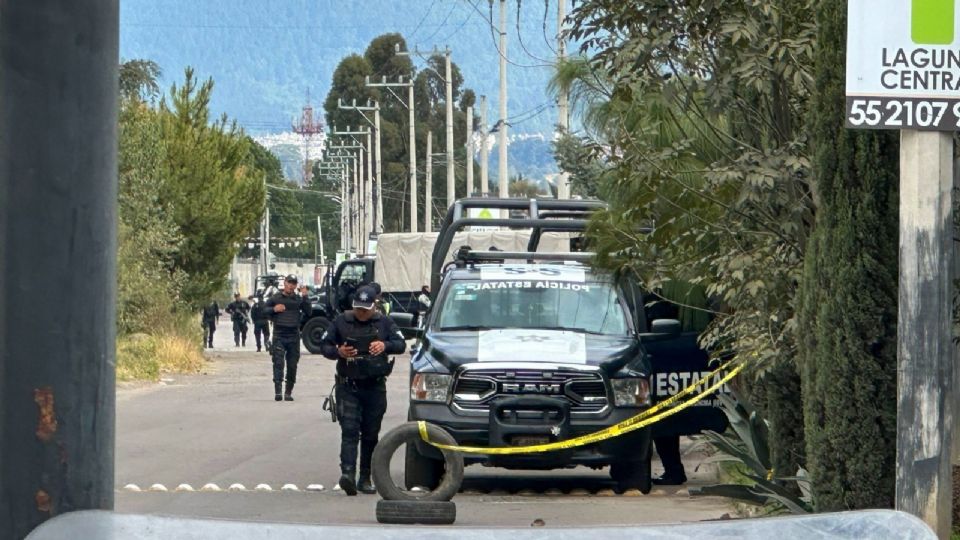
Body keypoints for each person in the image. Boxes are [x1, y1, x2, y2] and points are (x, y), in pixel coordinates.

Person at [320, 285, 406, 496]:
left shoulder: (384, 322)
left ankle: (365, 477)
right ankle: (347, 474)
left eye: (365, 309)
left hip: (375, 386)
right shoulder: (341, 321)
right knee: (349, 430)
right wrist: (338, 351)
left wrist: (384, 346)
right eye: (358, 308)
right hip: (348, 385)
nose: (361, 313)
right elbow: (324, 345)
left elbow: (401, 344)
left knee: (370, 434)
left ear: (374, 306)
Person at [265, 275, 312, 402]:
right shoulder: (276, 298)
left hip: (293, 336)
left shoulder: (298, 300)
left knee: (292, 365)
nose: (291, 285)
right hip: (279, 335)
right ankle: (278, 391)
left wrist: (305, 296)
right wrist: (274, 309)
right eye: (289, 282)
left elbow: (309, 311)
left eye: (293, 283)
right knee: (278, 363)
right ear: (284, 283)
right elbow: (263, 310)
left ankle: (288, 392)